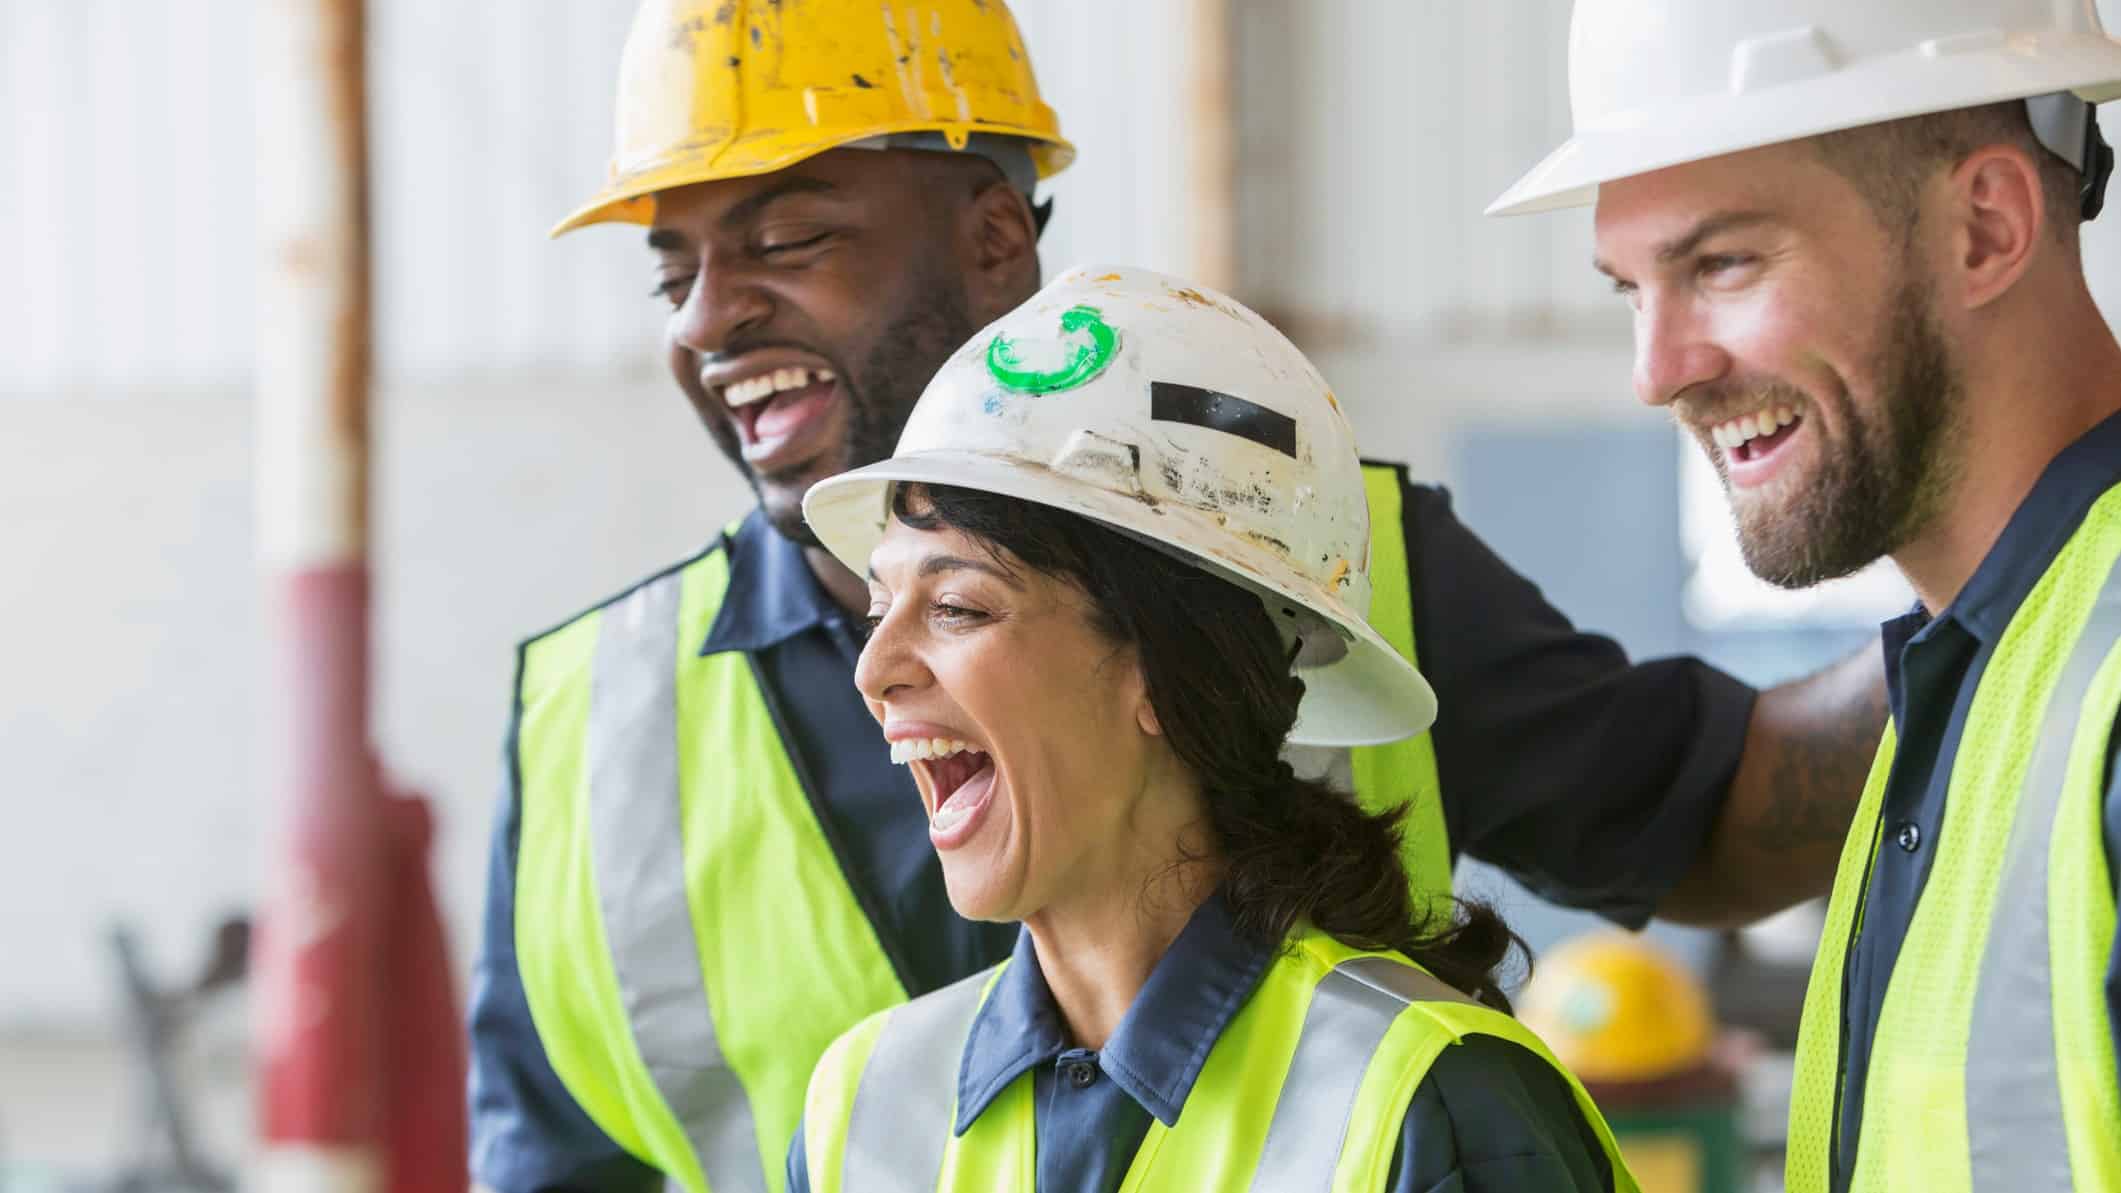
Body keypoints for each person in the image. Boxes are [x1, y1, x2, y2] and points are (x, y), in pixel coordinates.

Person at [469, 2, 1884, 1191]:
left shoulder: (1305, 559)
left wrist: (1987, 612)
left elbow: (1704, 812)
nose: (709, 314)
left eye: (787, 240)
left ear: (991, 240)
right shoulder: (596, 726)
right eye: (673, 274)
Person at [791, 265, 1640, 1193]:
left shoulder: (1428, 1105)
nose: (873, 670)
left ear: (1168, 667)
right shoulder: (863, 1109)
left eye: (956, 606)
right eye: (877, 606)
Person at [1490, 1, 2121, 1189]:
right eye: (1632, 288)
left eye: (1723, 263)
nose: (1658, 370)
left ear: (1985, 228)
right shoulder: (1967, 680)